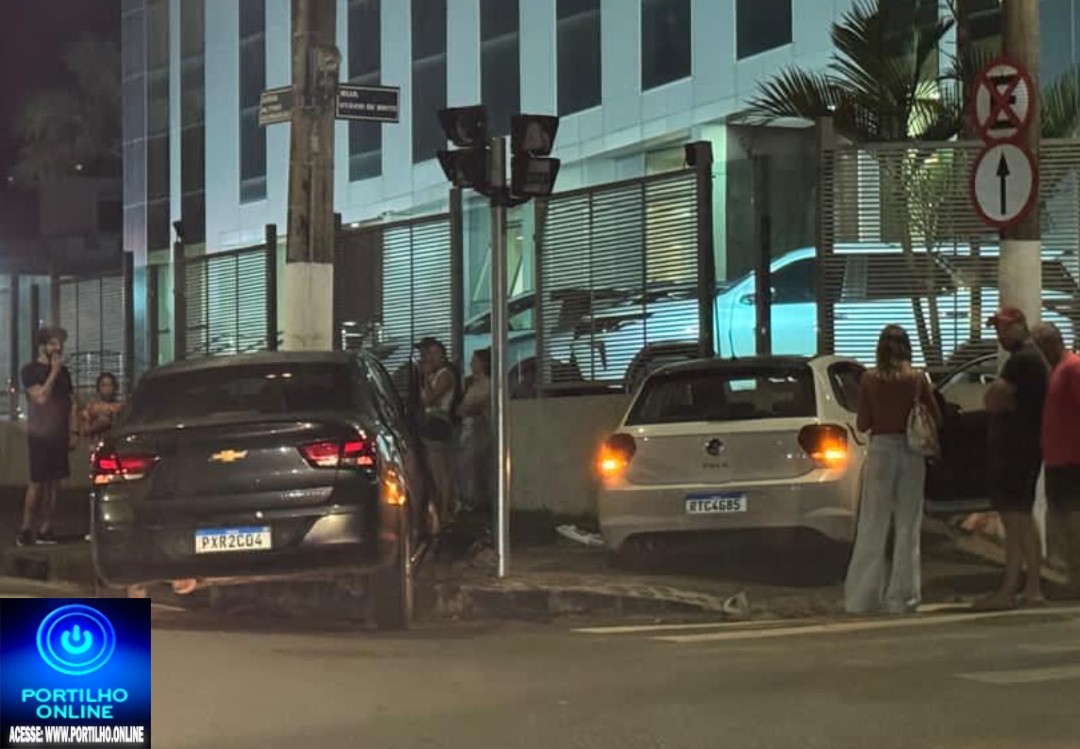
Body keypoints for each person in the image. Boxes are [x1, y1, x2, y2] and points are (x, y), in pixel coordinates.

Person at [844, 325, 941, 615]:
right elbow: (935, 415)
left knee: (873, 523)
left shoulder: (869, 380)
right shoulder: (917, 379)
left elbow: (863, 423)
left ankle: (862, 598)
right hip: (911, 452)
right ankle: (902, 597)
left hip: (881, 451)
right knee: (907, 524)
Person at [976, 305, 1050, 610]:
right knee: (1021, 516)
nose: (1000, 334)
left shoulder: (1022, 361)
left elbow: (993, 399)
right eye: (997, 328)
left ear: (1020, 325)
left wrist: (997, 401)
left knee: (1015, 518)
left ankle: (1012, 588)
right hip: (1025, 449)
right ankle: (1029, 587)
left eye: (1005, 327)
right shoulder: (1029, 359)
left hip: (1018, 451)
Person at [18, 327, 78, 546]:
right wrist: (53, 371)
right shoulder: (30, 370)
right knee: (37, 481)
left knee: (54, 482)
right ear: (43, 346)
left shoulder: (65, 372)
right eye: (53, 343)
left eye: (60, 343)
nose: (58, 348)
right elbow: (41, 397)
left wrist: (74, 431)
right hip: (40, 433)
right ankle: (26, 528)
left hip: (59, 433)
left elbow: (72, 403)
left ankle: (46, 527)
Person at [1032, 322, 1080, 599]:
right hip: (1057, 458)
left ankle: (1076, 577)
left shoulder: (1072, 368)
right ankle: (1068, 576)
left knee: (1072, 519)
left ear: (1050, 344)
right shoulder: (1058, 371)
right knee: (1060, 519)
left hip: (1071, 459)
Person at [416, 337, 460, 525]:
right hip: (429, 422)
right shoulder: (435, 374)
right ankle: (440, 512)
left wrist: (424, 376)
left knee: (439, 471)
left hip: (438, 422)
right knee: (434, 470)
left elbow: (430, 399)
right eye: (427, 354)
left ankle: (446, 512)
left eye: (434, 354)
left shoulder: (445, 374)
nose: (429, 358)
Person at [457, 348, 494, 517]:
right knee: (466, 467)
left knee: (474, 467)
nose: (471, 364)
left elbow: (476, 407)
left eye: (475, 360)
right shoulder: (471, 383)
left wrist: (467, 409)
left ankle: (477, 503)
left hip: (479, 429)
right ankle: (468, 501)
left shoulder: (488, 384)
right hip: (467, 428)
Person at [83, 372, 123, 442]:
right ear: (98, 387)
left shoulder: (121, 407)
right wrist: (98, 425)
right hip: (97, 445)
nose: (107, 388)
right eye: (104, 385)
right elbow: (85, 431)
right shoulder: (90, 407)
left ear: (115, 387)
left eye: (110, 385)